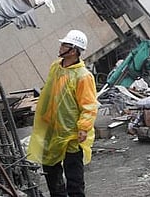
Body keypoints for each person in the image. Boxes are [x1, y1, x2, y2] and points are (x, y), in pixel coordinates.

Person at [27, 29, 98, 197]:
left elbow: (89, 105)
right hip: (53, 128)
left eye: (64, 45)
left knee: (73, 172)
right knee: (51, 168)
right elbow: (50, 93)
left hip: (71, 132)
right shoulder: (56, 67)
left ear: (73, 50)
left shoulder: (83, 76)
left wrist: (83, 127)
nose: (60, 47)